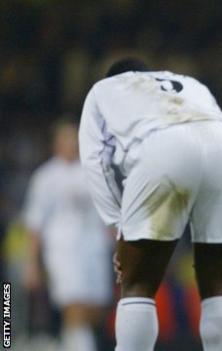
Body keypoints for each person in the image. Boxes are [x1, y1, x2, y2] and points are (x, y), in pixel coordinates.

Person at [78, 58, 222, 351]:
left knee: (138, 284)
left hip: (163, 143)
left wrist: (118, 225)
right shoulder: (190, 83)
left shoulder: (104, 89)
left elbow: (96, 160)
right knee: (219, 283)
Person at [22, 120, 113, 351]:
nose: (72, 143)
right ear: (56, 144)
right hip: (63, 249)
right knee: (74, 303)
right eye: (66, 138)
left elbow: (108, 213)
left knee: (95, 310)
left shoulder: (93, 172)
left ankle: (70, 344)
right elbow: (35, 222)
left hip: (94, 247)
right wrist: (31, 262)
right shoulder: (45, 177)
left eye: (75, 138)